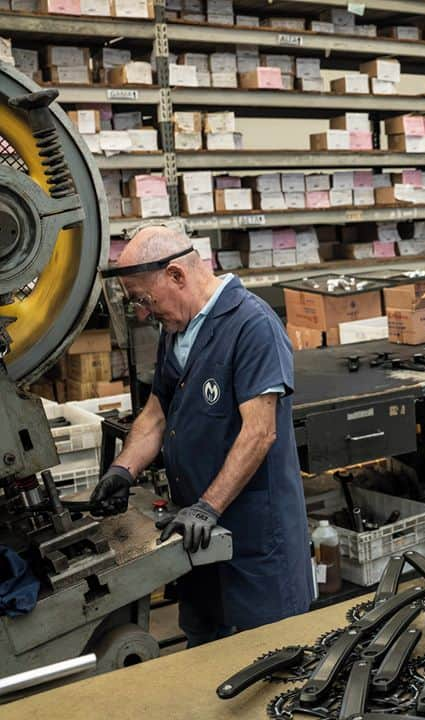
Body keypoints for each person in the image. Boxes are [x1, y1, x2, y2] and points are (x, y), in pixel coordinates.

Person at [90, 226, 313, 646]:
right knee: (205, 656)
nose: (142, 312)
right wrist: (123, 469)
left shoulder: (252, 325)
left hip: (253, 541)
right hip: (195, 535)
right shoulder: (175, 331)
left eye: (144, 299)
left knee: (268, 659)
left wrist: (207, 507)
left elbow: (260, 432)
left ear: (176, 275)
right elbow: (156, 414)